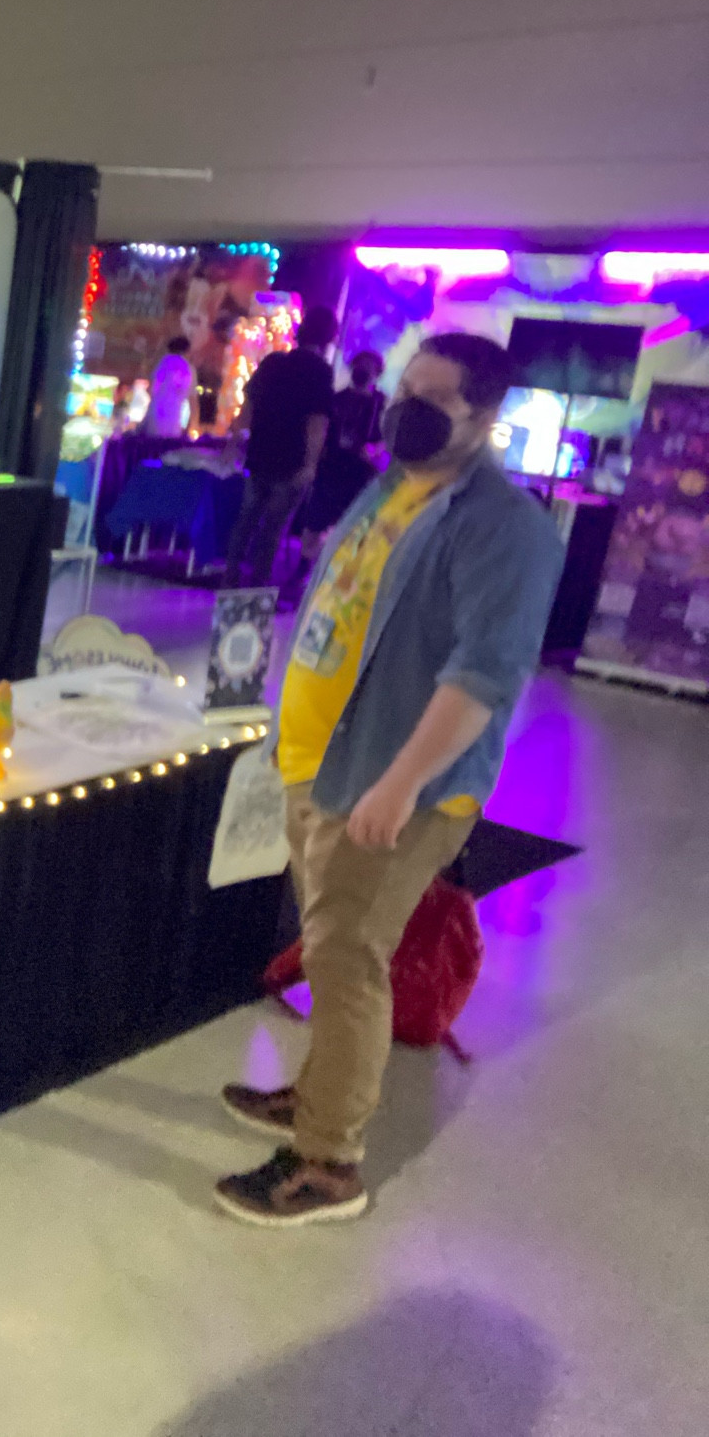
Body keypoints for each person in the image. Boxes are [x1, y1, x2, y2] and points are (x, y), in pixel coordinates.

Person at [217, 333, 564, 1227]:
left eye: (433, 398)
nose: (407, 408)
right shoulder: (389, 485)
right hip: (319, 761)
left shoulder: (504, 525)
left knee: (348, 958)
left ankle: (328, 1164)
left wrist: (402, 783)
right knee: (330, 945)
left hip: (390, 784)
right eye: (404, 388)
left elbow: (484, 675)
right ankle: (320, 1091)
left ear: (485, 417)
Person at [225, 305, 339, 589]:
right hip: (293, 459)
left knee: (246, 520)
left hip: (261, 451)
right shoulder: (320, 372)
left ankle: (230, 577)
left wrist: (234, 442)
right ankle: (258, 585)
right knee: (273, 527)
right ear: (328, 338)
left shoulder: (273, 363)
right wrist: (311, 464)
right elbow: (317, 421)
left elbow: (247, 407)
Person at [291, 349, 389, 584]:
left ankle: (342, 575)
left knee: (353, 525)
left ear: (377, 372)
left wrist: (376, 451)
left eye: (368, 367)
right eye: (359, 365)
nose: (362, 371)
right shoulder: (337, 399)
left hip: (360, 473)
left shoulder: (381, 403)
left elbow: (389, 435)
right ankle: (303, 570)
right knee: (314, 522)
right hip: (331, 468)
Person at [144, 335, 197, 438]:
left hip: (155, 415)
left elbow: (151, 389)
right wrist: (192, 425)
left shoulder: (162, 363)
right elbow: (193, 400)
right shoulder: (189, 369)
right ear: (187, 351)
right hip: (173, 419)